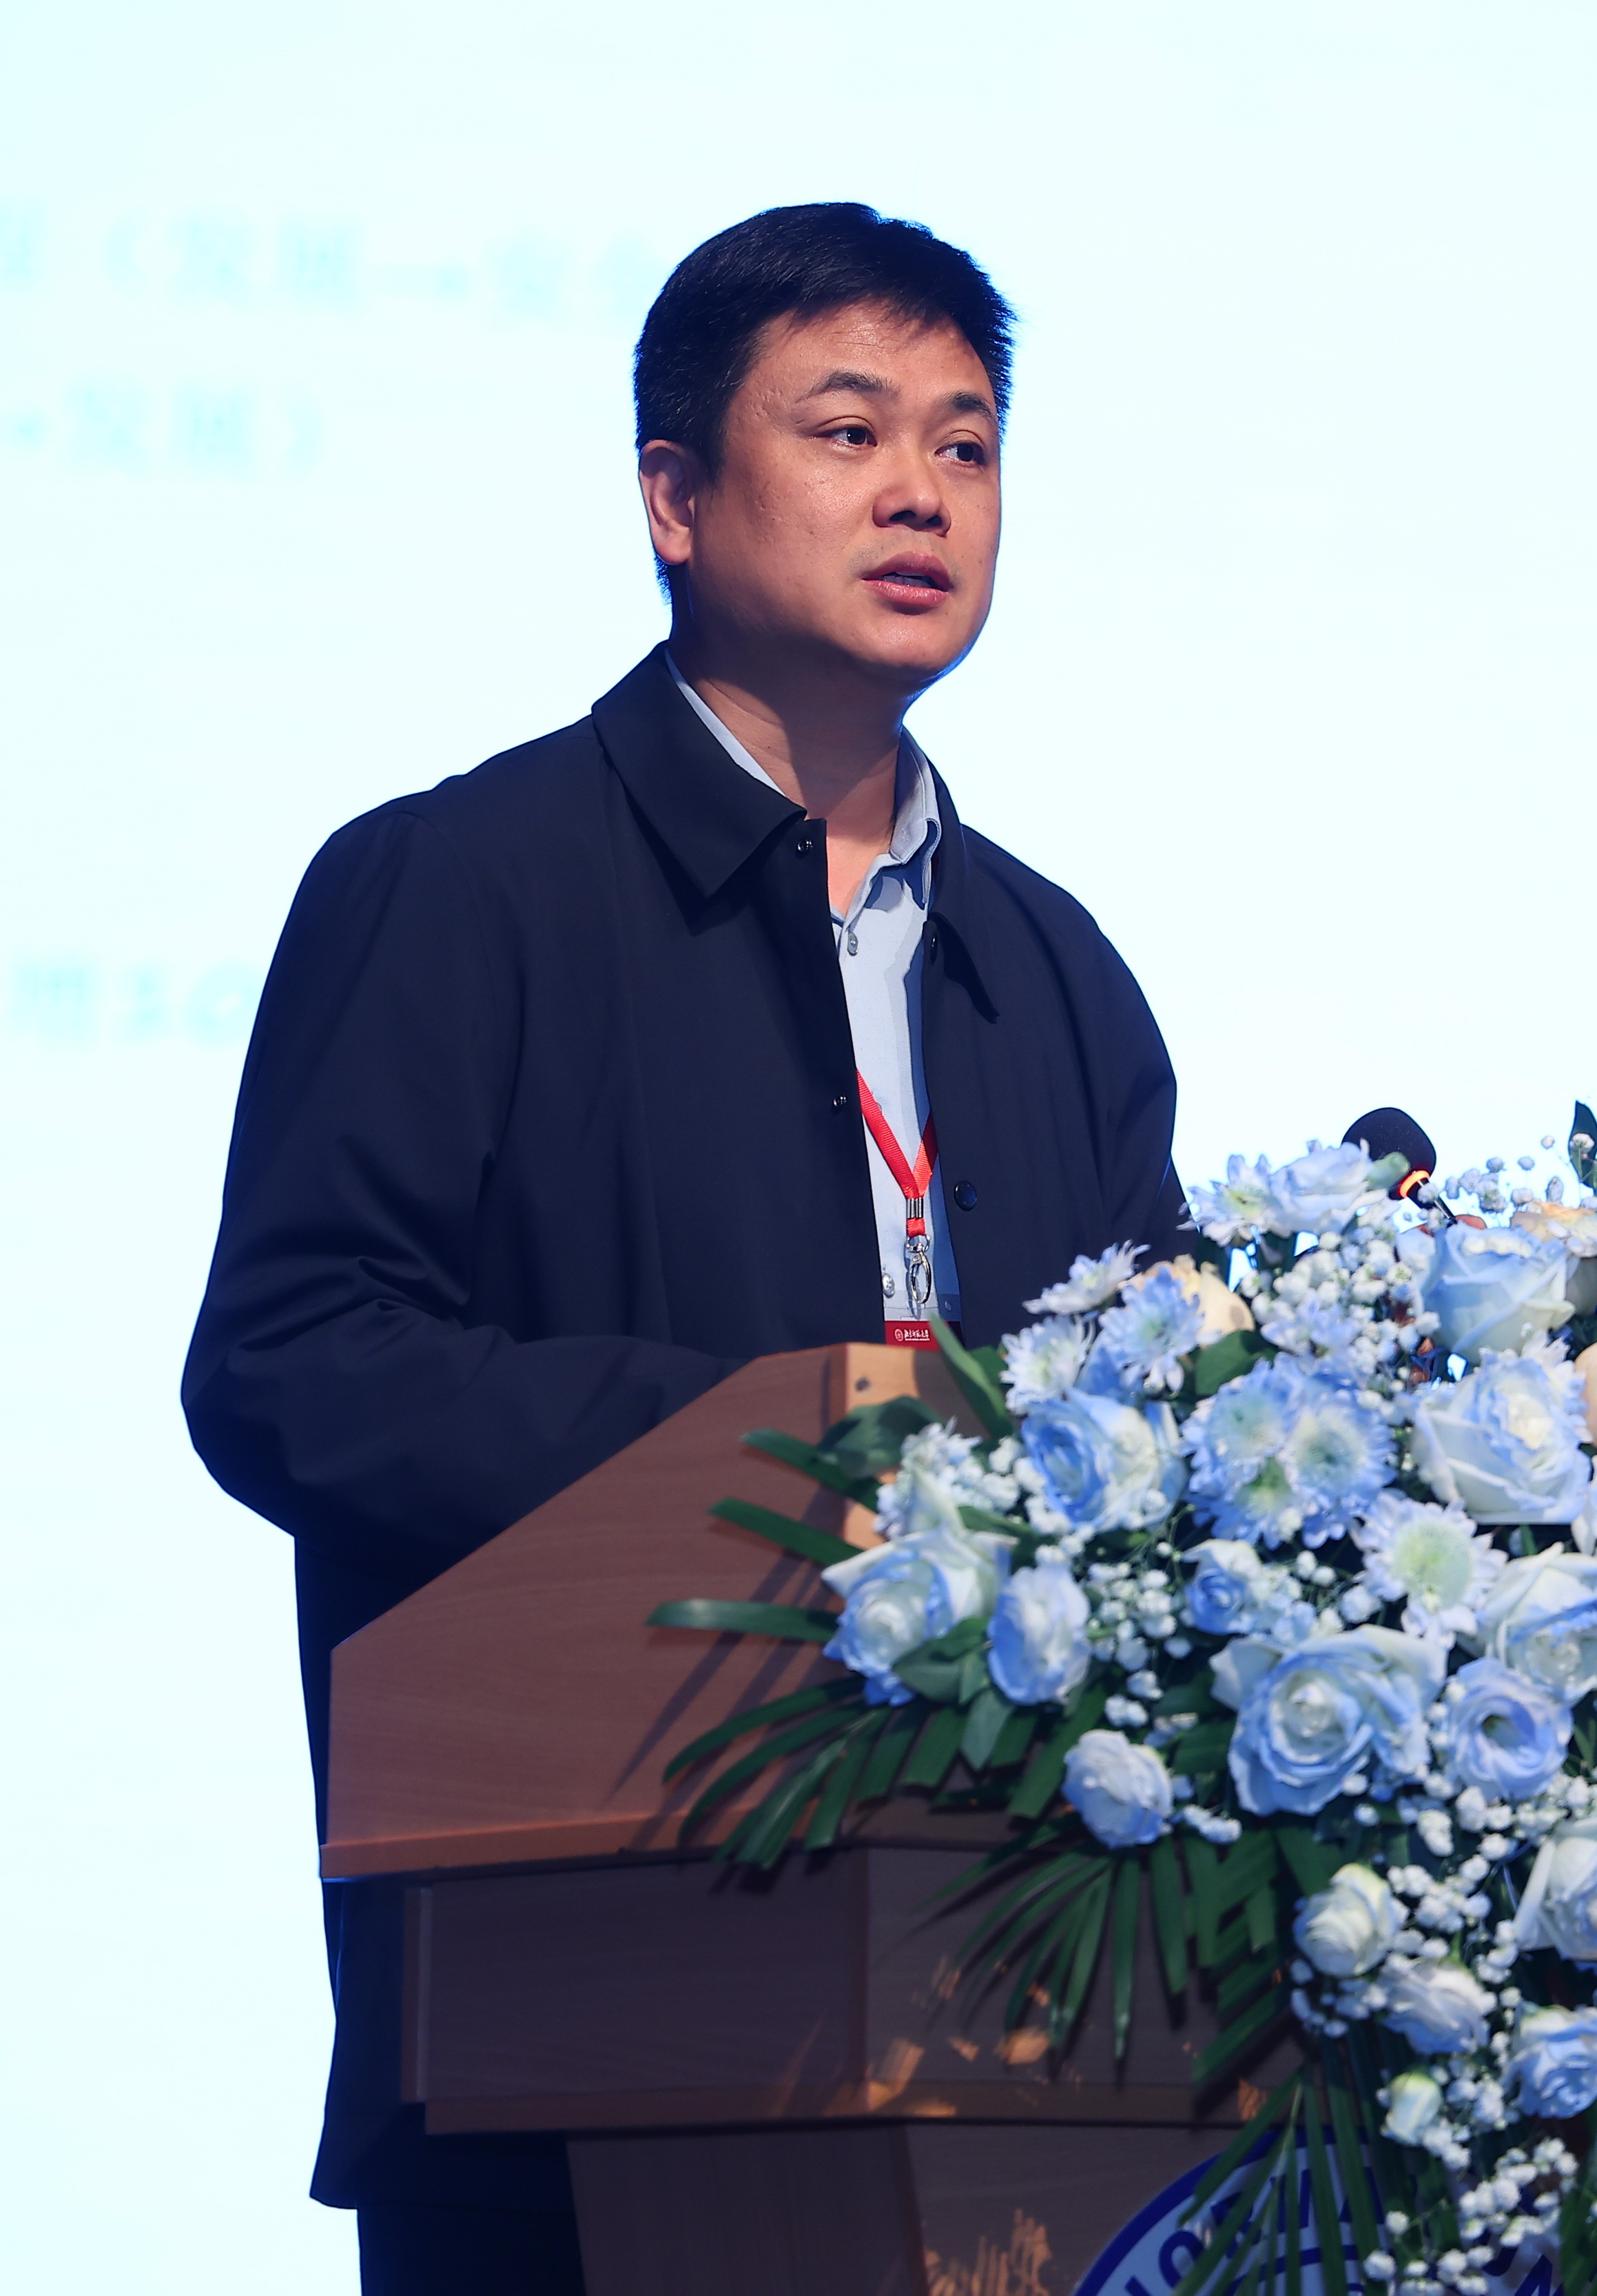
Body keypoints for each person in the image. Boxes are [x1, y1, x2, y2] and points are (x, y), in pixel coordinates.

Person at [181, 203, 1186, 2295]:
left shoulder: (1053, 967)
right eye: (849, 432)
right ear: (673, 498)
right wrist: (793, 1452)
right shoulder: (461, 884)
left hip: (1020, 2069)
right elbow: (291, 1361)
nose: (922, 492)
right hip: (576, 2052)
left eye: (968, 444)